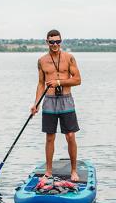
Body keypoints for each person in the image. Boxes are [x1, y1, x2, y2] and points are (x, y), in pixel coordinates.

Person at [30, 29, 83, 181]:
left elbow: (78, 80)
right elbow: (41, 83)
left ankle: (74, 171)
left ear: (61, 41)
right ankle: (48, 171)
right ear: (47, 42)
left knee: (70, 136)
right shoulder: (42, 61)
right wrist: (36, 104)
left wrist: (59, 82)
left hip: (66, 99)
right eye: (52, 42)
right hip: (49, 101)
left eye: (58, 41)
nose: (55, 44)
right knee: (49, 137)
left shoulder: (69, 58)